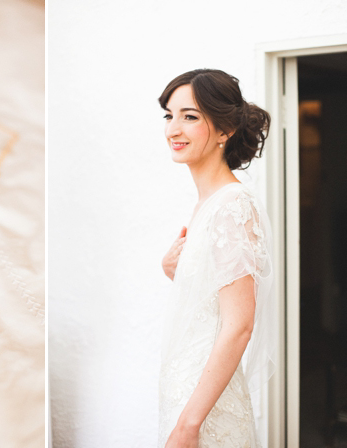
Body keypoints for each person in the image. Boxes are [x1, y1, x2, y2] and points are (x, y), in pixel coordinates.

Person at [157, 69, 276, 447]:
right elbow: (214, 302)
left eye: (189, 117)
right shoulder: (207, 204)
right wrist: (174, 270)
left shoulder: (232, 206)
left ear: (225, 130)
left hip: (206, 409)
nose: (174, 129)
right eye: (169, 115)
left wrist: (190, 424)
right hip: (185, 388)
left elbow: (239, 325)